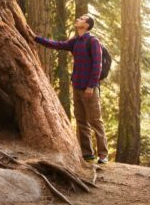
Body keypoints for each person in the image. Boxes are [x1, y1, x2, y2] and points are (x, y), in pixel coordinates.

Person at [34, 14, 109, 164]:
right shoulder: (76, 41)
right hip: (77, 86)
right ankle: (87, 154)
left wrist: (91, 86)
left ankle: (103, 155)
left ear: (87, 25)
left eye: (82, 19)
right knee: (81, 120)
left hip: (89, 88)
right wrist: (36, 38)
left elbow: (97, 65)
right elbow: (58, 45)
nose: (78, 19)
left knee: (95, 121)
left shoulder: (93, 41)